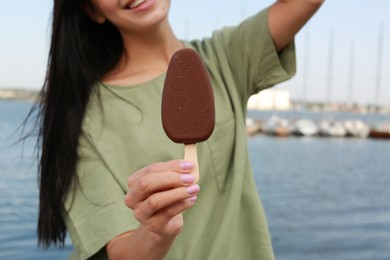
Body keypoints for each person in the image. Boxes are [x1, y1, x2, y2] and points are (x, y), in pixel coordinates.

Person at [34, 0, 324, 259]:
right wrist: (155, 232)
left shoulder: (224, 57)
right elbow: (120, 253)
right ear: (92, 9)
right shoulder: (79, 117)